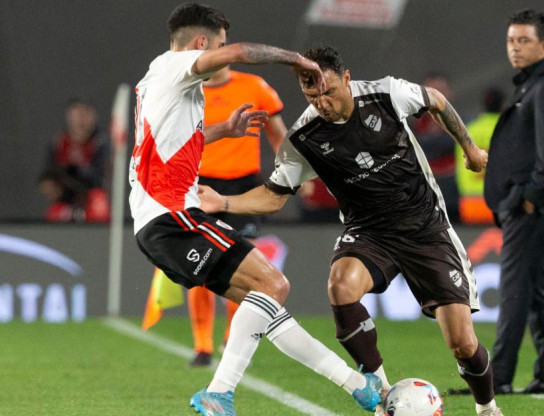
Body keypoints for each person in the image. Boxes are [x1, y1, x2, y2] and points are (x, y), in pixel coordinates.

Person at [198, 46, 504, 416]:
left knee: (462, 343)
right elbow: (274, 196)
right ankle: (383, 395)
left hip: (425, 227)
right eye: (312, 95)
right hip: (369, 231)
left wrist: (470, 149)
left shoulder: (386, 93)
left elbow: (436, 101)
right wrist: (224, 203)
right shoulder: (304, 137)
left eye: (328, 91)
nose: (322, 102)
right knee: (340, 285)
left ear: (346, 78)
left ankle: (487, 407)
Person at [129, 4, 382, 415]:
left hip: (162, 219)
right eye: (219, 44)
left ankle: (357, 386)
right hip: (172, 214)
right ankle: (219, 392)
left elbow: (169, 144)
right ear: (200, 43)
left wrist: (221, 131)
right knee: (274, 284)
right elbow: (240, 52)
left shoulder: (160, 80)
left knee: (268, 304)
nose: (223, 51)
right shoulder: (178, 64)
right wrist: (298, 60)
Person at [484, 9, 544, 395]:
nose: (515, 48)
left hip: (532, 207)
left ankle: (498, 378)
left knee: (515, 290)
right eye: (511, 41)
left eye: (524, 41)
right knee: (536, 290)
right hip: (526, 205)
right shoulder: (532, 85)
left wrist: (530, 200)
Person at [187, 64, 288, 367]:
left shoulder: (255, 86)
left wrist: (293, 175)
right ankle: (202, 346)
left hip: (243, 187)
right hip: (200, 184)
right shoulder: (188, 92)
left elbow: (277, 131)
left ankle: (233, 339)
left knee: (242, 265)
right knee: (198, 268)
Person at [39, 99, 111, 223]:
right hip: (64, 198)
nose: (81, 120)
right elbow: (49, 174)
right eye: (77, 114)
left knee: (98, 205)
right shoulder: (58, 142)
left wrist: (73, 171)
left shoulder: (101, 143)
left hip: (91, 198)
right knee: (55, 214)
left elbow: (98, 177)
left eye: (85, 114)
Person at [408, 72, 460, 222]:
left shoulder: (464, 124)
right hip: (421, 198)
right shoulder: (409, 125)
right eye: (431, 91)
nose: (436, 97)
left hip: (453, 197)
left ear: (450, 93)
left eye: (441, 91)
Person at [455, 87, 504, 224]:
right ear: (503, 105)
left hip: (470, 203)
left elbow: (460, 166)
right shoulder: (507, 128)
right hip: (499, 202)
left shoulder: (469, 130)